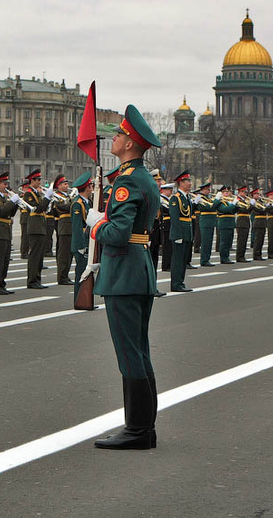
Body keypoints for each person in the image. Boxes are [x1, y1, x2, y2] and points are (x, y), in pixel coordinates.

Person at [86, 105, 161, 450]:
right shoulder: (139, 177)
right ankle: (144, 427)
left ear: (130, 144)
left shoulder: (128, 180)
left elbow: (117, 234)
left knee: (130, 353)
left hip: (125, 274)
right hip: (136, 270)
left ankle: (137, 430)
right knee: (139, 351)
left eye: (118, 134)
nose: (112, 139)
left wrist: (96, 222)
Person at [0, 172, 19, 295]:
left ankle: (2, 283)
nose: (6, 186)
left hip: (6, 230)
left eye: (7, 183)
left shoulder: (4, 198)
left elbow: (10, 213)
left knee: (5, 260)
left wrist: (15, 203)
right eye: (4, 183)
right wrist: (11, 202)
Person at [22, 169, 54, 288]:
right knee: (35, 255)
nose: (40, 182)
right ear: (32, 180)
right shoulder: (28, 194)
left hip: (40, 226)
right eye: (38, 180)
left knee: (39, 255)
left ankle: (37, 279)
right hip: (35, 227)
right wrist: (46, 198)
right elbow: (38, 208)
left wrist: (47, 200)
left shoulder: (37, 193)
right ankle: (32, 281)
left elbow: (43, 208)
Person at [169, 170, 194, 293]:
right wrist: (178, 235)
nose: (190, 183)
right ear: (181, 183)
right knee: (177, 260)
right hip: (179, 234)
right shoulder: (175, 198)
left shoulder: (186, 197)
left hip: (186, 233)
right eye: (187, 181)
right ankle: (176, 284)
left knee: (183, 259)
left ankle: (181, 282)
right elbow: (175, 218)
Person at [69, 171, 92, 301]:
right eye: (91, 186)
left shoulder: (86, 202)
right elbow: (77, 227)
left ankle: (85, 299)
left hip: (87, 241)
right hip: (81, 243)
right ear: (87, 187)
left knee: (86, 272)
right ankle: (79, 299)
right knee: (81, 272)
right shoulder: (78, 204)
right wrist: (81, 246)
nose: (92, 188)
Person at [52, 175, 75, 285]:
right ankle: (62, 277)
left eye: (67, 183)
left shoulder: (68, 196)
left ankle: (65, 275)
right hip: (64, 226)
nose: (67, 185)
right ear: (59, 186)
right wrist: (73, 200)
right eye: (64, 184)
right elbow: (64, 207)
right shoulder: (58, 197)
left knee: (69, 254)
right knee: (64, 254)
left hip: (70, 226)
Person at [213, 185, 236, 264]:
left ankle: (227, 256)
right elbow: (225, 209)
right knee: (224, 241)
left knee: (229, 241)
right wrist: (233, 204)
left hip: (230, 222)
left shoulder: (229, 201)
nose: (227, 193)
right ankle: (223, 258)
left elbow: (233, 211)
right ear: (221, 193)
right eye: (225, 192)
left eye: (227, 192)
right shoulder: (220, 202)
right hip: (224, 222)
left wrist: (236, 205)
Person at [195, 182, 216, 266]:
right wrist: (217, 200)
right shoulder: (200, 198)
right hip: (205, 221)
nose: (209, 191)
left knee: (209, 241)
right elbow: (209, 207)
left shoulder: (207, 198)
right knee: (206, 242)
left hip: (210, 221)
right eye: (207, 189)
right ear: (203, 189)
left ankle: (207, 259)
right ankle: (204, 260)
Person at [233, 186, 252, 263]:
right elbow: (244, 210)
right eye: (244, 192)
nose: (245, 194)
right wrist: (251, 206)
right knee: (241, 240)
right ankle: (239, 256)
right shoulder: (238, 200)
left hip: (246, 221)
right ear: (239, 192)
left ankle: (242, 256)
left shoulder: (245, 200)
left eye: (246, 192)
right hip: (241, 221)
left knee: (244, 240)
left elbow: (248, 211)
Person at [159, 182, 173, 271]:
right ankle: (166, 265)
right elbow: (167, 210)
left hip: (170, 224)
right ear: (164, 190)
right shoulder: (161, 199)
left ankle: (169, 264)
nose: (171, 191)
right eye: (169, 190)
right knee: (167, 246)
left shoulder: (168, 199)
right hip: (166, 224)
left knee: (170, 246)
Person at [249, 188, 267, 261]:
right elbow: (258, 211)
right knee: (258, 240)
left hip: (263, 222)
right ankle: (256, 254)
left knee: (261, 239)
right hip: (258, 221)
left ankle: (259, 254)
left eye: (258, 194)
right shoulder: (253, 203)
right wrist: (265, 208)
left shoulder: (261, 201)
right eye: (256, 194)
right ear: (253, 195)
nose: (258, 195)